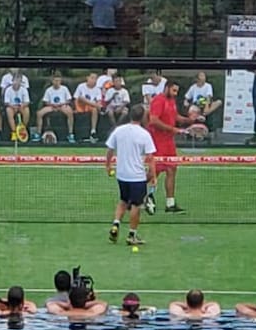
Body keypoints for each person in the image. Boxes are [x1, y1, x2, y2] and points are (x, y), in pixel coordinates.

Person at [106, 104, 156, 247]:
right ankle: (132, 235)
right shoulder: (144, 134)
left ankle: (116, 225)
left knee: (123, 201)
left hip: (122, 175)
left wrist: (108, 166)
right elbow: (150, 157)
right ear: (142, 117)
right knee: (136, 205)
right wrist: (153, 175)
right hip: (137, 177)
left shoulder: (119, 130)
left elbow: (110, 150)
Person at [147, 80, 186, 213]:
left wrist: (189, 120)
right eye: (174, 90)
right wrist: (172, 129)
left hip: (169, 142)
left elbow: (176, 116)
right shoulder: (158, 100)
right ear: (167, 88)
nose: (175, 94)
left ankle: (170, 204)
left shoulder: (172, 101)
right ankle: (135, 197)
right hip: (157, 142)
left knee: (172, 170)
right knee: (153, 172)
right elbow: (153, 120)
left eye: (177, 91)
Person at [34, 74, 75, 143]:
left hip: (62, 106)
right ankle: (38, 133)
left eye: (58, 80)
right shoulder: (48, 90)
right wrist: (53, 105)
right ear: (52, 81)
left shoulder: (64, 89)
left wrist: (61, 105)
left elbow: (68, 100)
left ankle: (70, 134)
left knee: (70, 112)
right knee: (39, 113)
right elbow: (46, 101)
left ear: (60, 81)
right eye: (55, 80)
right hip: (51, 106)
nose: (57, 82)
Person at [73, 73, 103, 142]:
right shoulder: (81, 86)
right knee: (82, 98)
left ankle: (93, 131)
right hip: (81, 106)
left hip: (91, 107)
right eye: (92, 78)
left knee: (95, 109)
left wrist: (97, 105)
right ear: (88, 78)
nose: (93, 80)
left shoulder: (98, 89)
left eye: (95, 78)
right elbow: (76, 98)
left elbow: (99, 101)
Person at [2, 71, 31, 139]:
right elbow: (6, 102)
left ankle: (22, 129)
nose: (17, 82)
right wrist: (13, 107)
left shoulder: (24, 90)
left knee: (27, 110)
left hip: (21, 107)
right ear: (12, 80)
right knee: (8, 110)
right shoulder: (8, 90)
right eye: (15, 80)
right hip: (12, 107)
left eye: (19, 80)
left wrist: (22, 105)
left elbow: (27, 102)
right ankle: (14, 132)